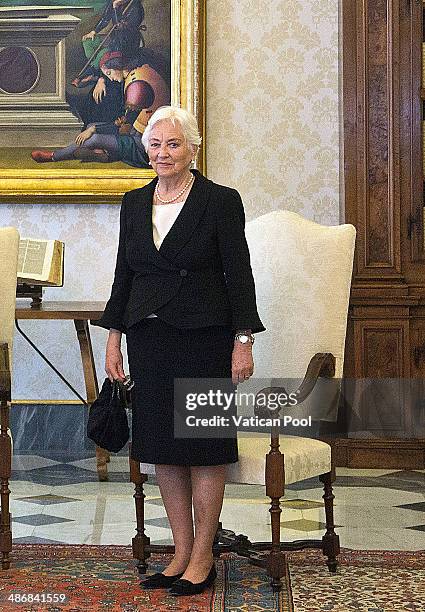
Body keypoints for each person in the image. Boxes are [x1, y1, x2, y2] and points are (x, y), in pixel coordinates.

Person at [91, 106, 265, 596]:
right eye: (153, 144)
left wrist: (243, 340)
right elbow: (123, 275)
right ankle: (181, 552)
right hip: (149, 338)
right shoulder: (133, 202)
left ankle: (204, 556)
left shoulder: (220, 201)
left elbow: (239, 274)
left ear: (193, 148)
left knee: (204, 450)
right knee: (163, 450)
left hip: (205, 339)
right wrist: (113, 338)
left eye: (172, 144)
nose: (161, 153)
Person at [31, 50, 169, 167]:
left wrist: (93, 130)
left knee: (93, 137)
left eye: (109, 73)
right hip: (139, 133)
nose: (110, 78)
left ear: (118, 67)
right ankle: (104, 153)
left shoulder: (137, 87)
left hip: (144, 147)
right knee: (91, 126)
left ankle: (54, 156)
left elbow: (124, 126)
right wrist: (100, 79)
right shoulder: (137, 71)